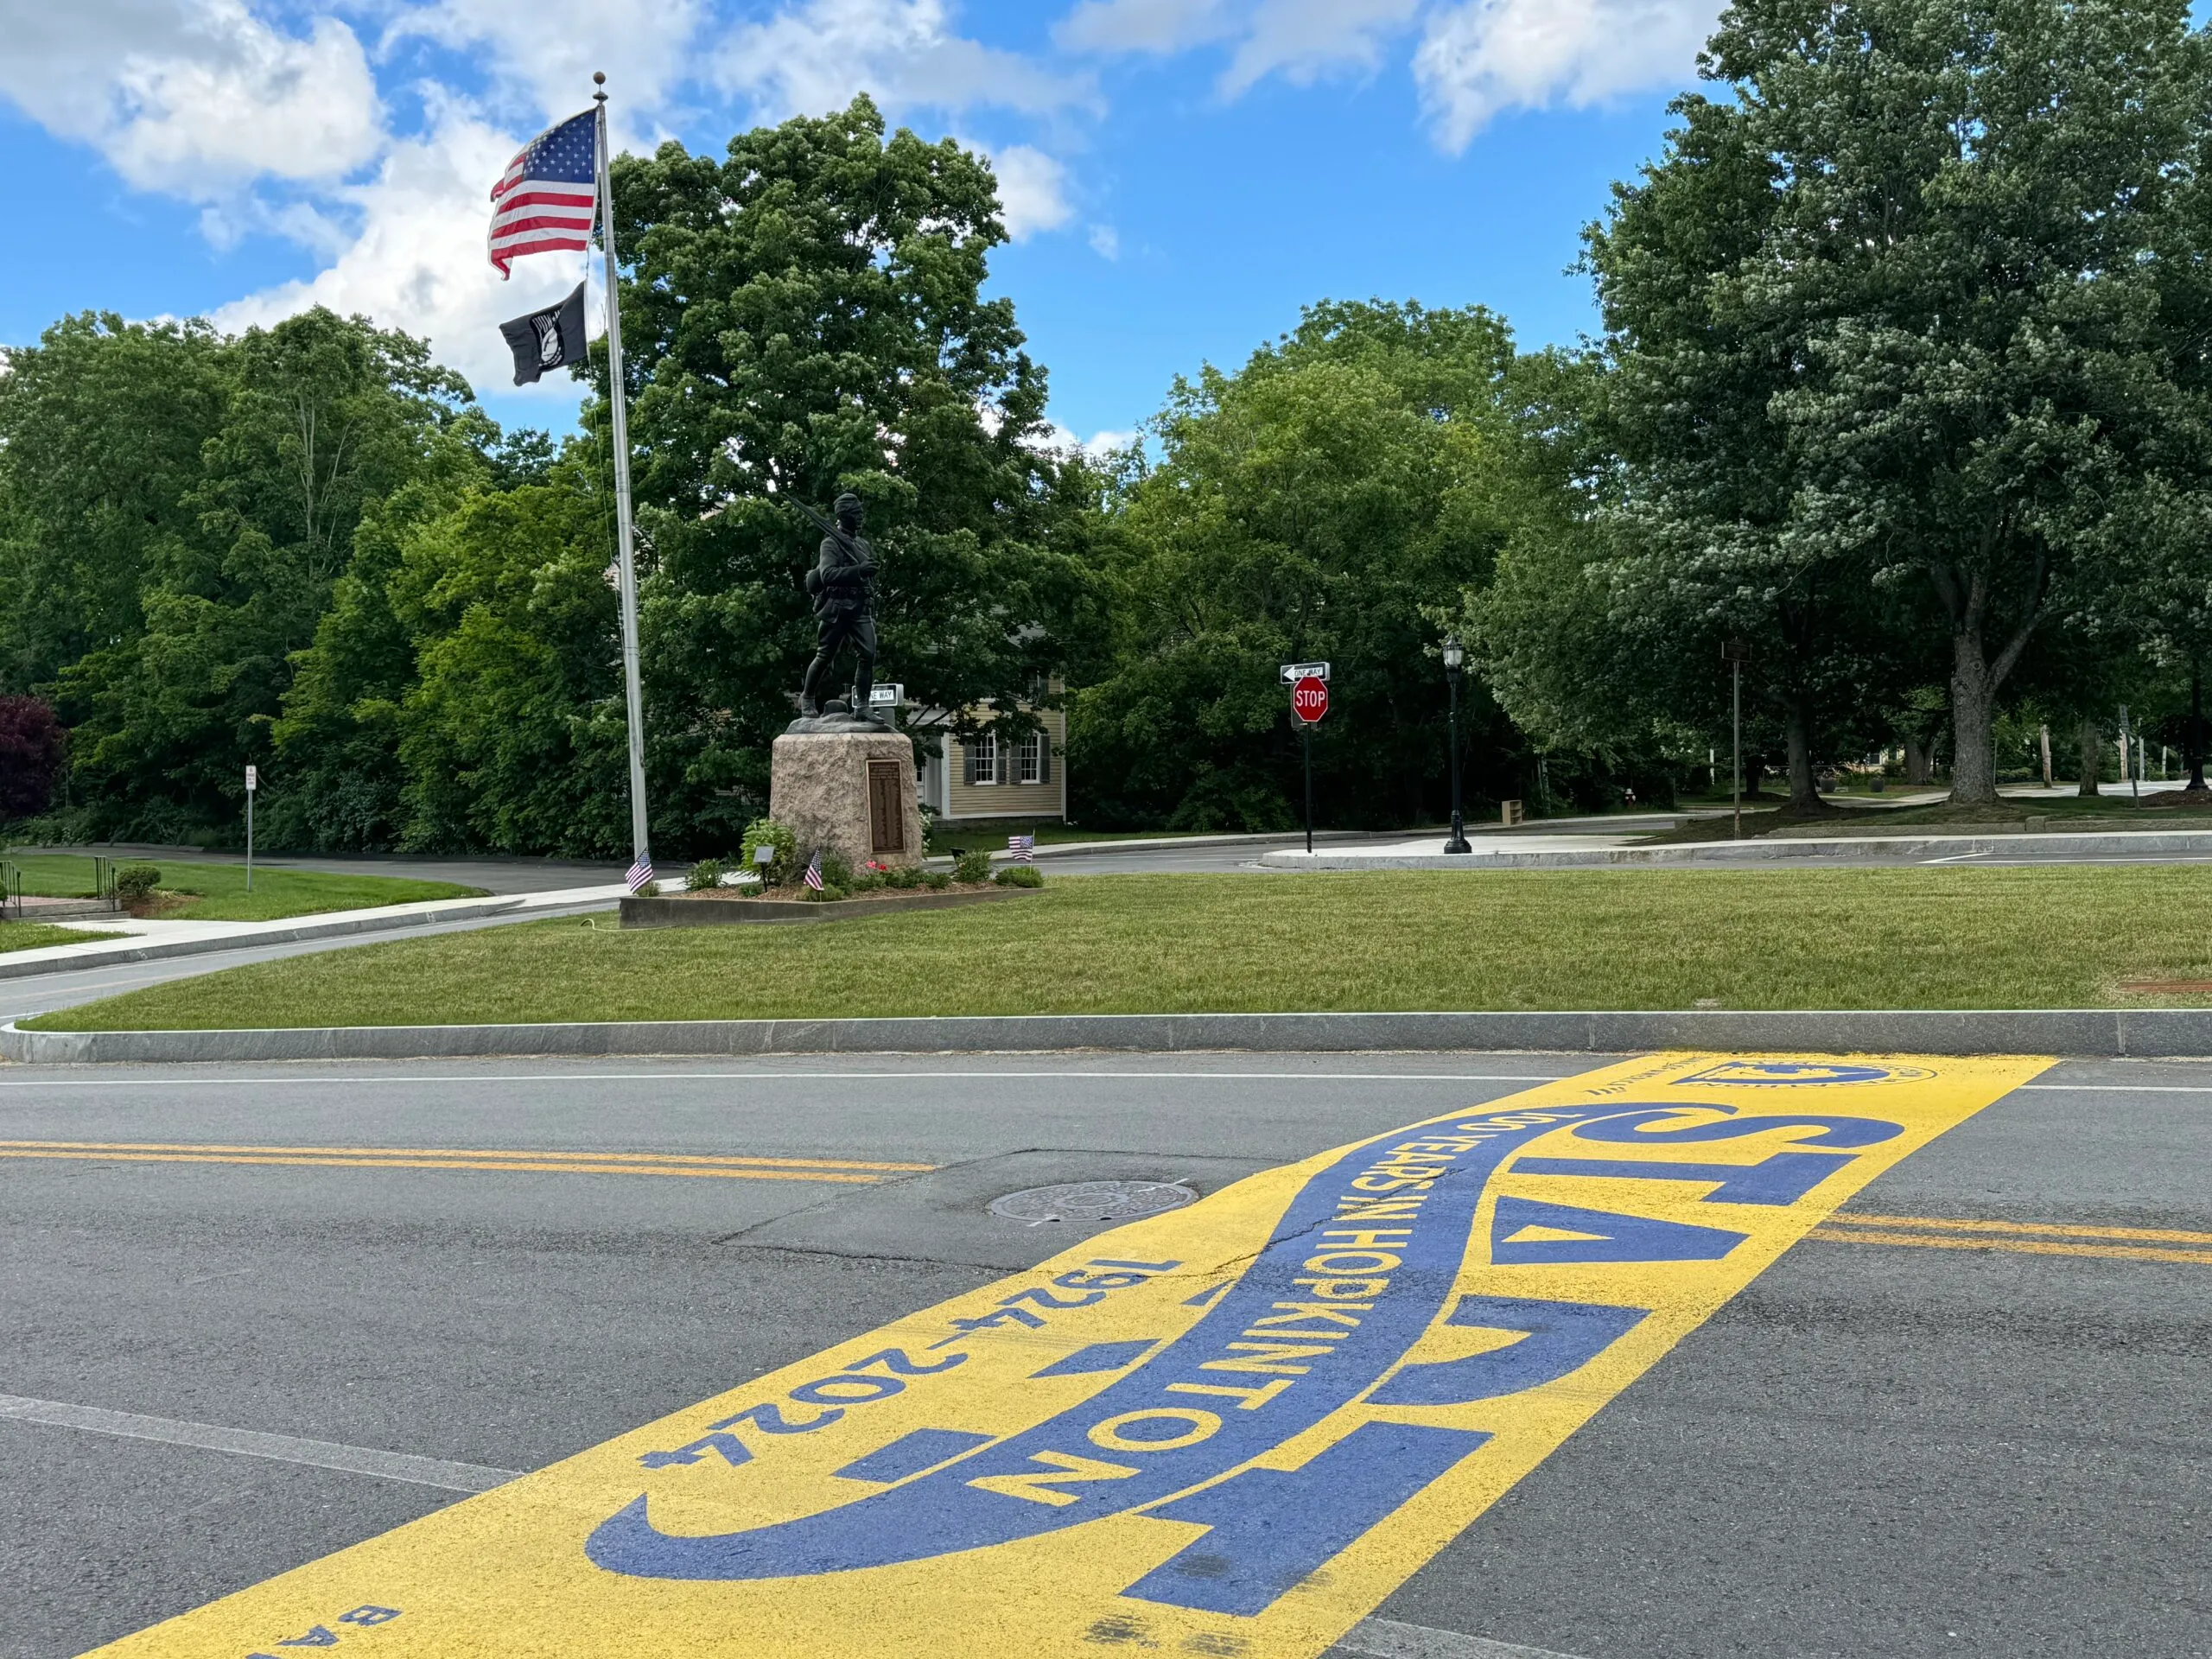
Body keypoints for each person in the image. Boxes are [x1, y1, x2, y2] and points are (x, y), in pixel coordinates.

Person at [798, 493, 880, 720]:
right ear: (845, 517)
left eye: (861, 513)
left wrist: (869, 572)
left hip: (860, 607)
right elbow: (827, 575)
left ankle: (862, 706)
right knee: (824, 655)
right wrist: (859, 571)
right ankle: (807, 697)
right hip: (837, 607)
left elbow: (870, 572)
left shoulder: (862, 544)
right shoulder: (831, 543)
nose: (861, 518)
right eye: (856, 514)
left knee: (868, 654)